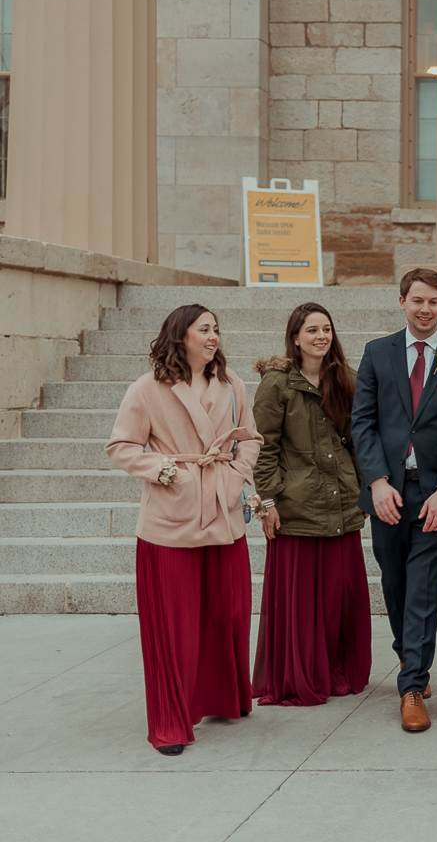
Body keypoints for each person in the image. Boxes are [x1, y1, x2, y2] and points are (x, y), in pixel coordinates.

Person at [105, 304, 261, 754]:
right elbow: (121, 445)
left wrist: (235, 477)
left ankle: (223, 697)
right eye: (204, 329)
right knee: (175, 627)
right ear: (180, 336)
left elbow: (249, 438)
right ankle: (170, 723)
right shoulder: (147, 389)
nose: (213, 337)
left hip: (224, 511)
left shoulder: (233, 385)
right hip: (170, 520)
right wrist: (165, 471)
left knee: (227, 614)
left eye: (216, 329)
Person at [351, 268, 437, 733]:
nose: (425, 309)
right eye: (418, 301)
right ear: (402, 302)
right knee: (395, 582)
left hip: (435, 495)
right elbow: (362, 423)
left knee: (424, 589)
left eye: (434, 302)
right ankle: (411, 655)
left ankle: (411, 686)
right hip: (388, 491)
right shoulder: (376, 353)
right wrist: (377, 482)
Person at [250, 302, 371, 707]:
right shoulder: (277, 383)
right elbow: (262, 448)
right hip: (296, 507)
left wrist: (366, 490)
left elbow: (358, 443)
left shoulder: (347, 380)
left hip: (342, 506)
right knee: (300, 604)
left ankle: (336, 670)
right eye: (312, 330)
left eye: (326, 329)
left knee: (339, 597)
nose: (321, 337)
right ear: (296, 337)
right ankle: (299, 674)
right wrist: (267, 501)